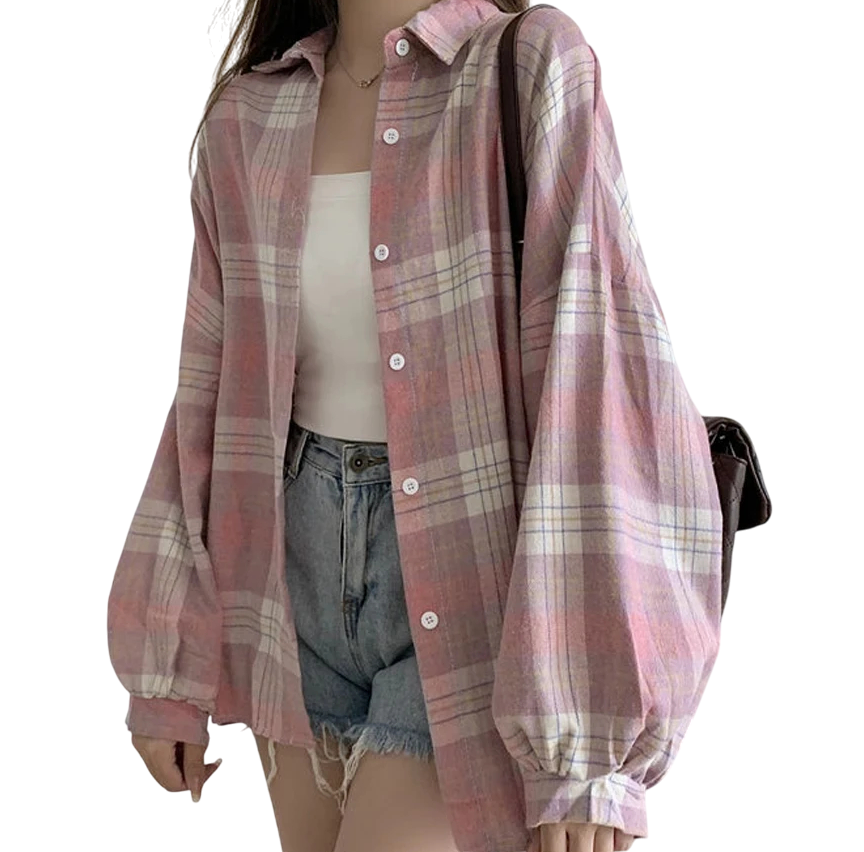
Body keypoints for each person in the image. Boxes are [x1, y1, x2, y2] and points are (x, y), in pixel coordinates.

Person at [107, 1, 724, 850]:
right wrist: (167, 664)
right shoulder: (247, 116)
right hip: (289, 590)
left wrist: (589, 742)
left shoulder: (530, 65)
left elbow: (598, 375)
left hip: (478, 582)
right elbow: (208, 398)